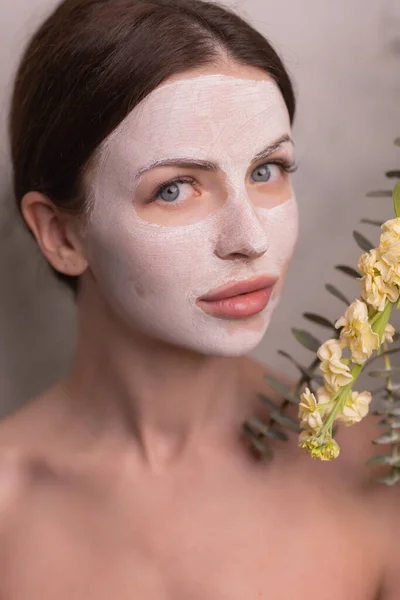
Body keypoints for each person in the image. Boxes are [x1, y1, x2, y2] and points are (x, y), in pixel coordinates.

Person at [0, 0, 399, 597]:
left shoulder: (375, 483)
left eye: (267, 170)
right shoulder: (9, 505)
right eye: (175, 189)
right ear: (61, 234)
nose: (250, 239)